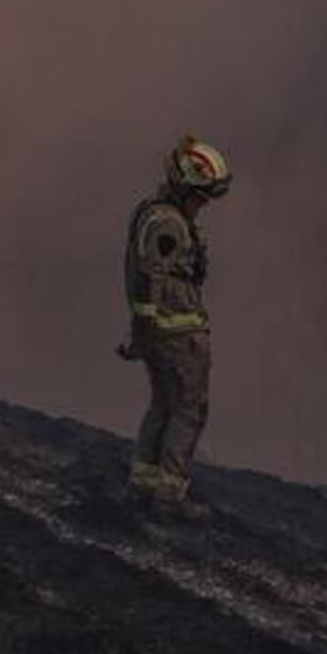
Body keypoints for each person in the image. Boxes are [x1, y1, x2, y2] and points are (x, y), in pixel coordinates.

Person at [119, 133, 231, 519]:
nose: (204, 205)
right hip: (177, 336)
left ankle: (143, 482)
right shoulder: (168, 224)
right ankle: (170, 496)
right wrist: (146, 328)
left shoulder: (153, 213)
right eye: (201, 197)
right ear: (186, 188)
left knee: (163, 405)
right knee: (189, 410)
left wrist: (142, 333)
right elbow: (149, 277)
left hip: (161, 333)